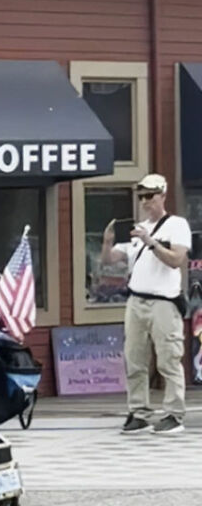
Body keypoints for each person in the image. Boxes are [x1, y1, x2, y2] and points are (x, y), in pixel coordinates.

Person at [101, 173, 193, 435]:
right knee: (134, 359)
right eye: (141, 196)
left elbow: (176, 260)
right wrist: (107, 241)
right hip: (136, 299)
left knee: (169, 359)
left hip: (164, 301)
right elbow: (109, 260)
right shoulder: (136, 228)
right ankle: (139, 412)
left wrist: (151, 243)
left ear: (162, 195)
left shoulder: (176, 225)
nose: (145, 201)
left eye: (150, 196)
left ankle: (174, 413)